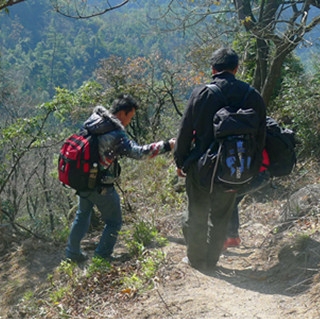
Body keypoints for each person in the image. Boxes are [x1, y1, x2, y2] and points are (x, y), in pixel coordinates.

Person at [174, 47, 266, 270]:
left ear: (213, 69)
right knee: (221, 216)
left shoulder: (202, 93)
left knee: (197, 213)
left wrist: (180, 162)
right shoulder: (252, 95)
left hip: (201, 166)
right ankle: (212, 260)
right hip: (233, 166)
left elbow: (185, 132)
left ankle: (197, 260)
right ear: (236, 68)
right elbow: (261, 137)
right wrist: (250, 168)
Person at [65, 94, 175, 262]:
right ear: (123, 113)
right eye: (130, 116)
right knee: (114, 222)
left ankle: (72, 253)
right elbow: (139, 153)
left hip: (81, 178)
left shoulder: (94, 120)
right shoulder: (115, 134)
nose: (129, 121)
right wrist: (166, 145)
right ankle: (102, 257)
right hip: (101, 185)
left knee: (82, 214)